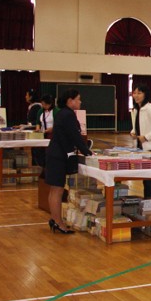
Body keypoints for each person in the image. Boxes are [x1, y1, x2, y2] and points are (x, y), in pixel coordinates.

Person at [45, 89, 93, 234]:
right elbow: (75, 136)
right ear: (70, 101)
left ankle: (55, 219)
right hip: (58, 156)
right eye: (78, 99)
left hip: (55, 154)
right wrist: (88, 152)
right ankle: (58, 222)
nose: (80, 101)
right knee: (57, 190)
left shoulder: (62, 113)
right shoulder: (68, 114)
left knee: (55, 190)